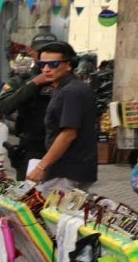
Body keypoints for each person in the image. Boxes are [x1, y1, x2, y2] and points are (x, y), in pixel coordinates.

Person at [26, 41, 98, 192]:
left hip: (67, 170)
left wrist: (41, 167)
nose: (46, 69)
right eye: (42, 64)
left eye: (53, 64)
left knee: (49, 206)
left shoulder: (70, 91)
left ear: (68, 65)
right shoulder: (68, 87)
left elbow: (68, 134)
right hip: (72, 167)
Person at [0, 33, 58, 179]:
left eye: (50, 51)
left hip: (61, 148)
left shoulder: (66, 80)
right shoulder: (21, 80)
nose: (45, 56)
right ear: (31, 51)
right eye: (41, 51)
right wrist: (34, 84)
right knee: (28, 191)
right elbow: (4, 107)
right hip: (32, 147)